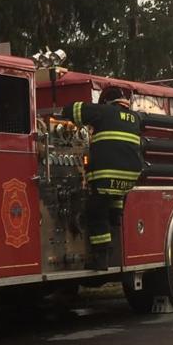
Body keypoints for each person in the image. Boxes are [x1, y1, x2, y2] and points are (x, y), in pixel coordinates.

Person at [65, 86, 143, 269]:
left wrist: (61, 110)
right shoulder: (135, 118)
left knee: (95, 213)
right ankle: (116, 217)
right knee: (113, 199)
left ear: (106, 101)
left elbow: (75, 110)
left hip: (107, 174)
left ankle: (101, 258)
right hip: (130, 176)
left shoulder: (104, 111)